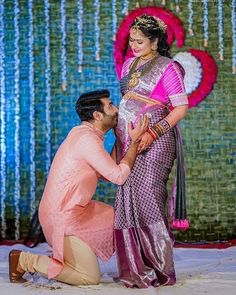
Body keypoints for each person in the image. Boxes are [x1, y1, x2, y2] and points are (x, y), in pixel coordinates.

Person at [9, 89, 149, 285]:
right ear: (97, 115)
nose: (116, 109)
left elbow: (106, 172)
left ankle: (138, 269)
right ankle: (24, 260)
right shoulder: (86, 139)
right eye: (110, 106)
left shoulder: (86, 135)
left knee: (121, 218)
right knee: (89, 278)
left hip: (80, 212)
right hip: (63, 217)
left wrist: (121, 139)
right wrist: (134, 142)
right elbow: (118, 176)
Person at [114, 15, 189, 288]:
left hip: (157, 138)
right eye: (132, 40)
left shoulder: (168, 68)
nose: (134, 45)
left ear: (155, 41)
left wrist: (152, 132)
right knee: (127, 198)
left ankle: (160, 268)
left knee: (148, 196)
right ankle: (136, 267)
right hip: (129, 139)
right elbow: (126, 103)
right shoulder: (127, 66)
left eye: (140, 41)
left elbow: (180, 107)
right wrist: (122, 140)